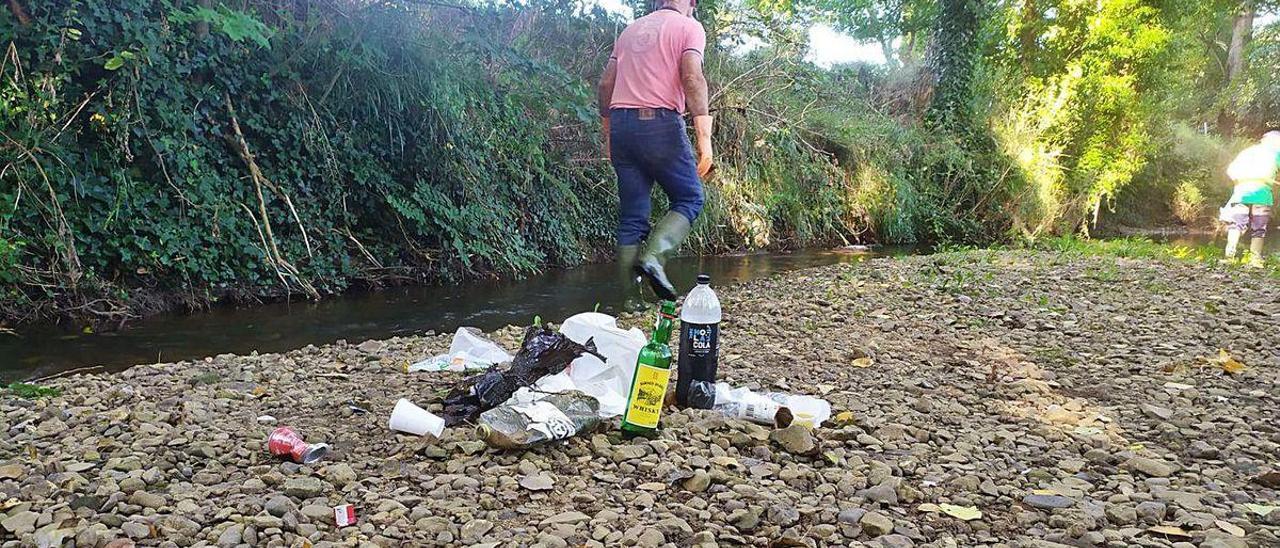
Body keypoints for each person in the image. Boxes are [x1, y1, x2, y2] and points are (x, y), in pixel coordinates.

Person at [597, 0, 714, 310]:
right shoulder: (689, 27)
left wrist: (608, 132)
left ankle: (630, 302)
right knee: (690, 198)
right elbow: (692, 78)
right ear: (691, 2)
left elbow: (606, 83)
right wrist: (705, 139)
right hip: (659, 123)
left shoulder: (631, 30)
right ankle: (654, 258)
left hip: (622, 126)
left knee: (632, 216)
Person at [1222, 130, 1280, 266]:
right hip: (1262, 195)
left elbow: (1230, 171)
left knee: (1236, 225)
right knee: (1259, 228)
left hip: (1241, 193)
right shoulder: (1275, 154)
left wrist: (1240, 181)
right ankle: (1255, 260)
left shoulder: (1247, 152)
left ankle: (1229, 257)